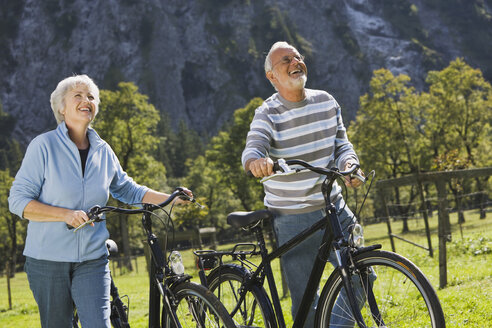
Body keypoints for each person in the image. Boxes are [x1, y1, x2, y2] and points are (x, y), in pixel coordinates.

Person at [8, 74, 191, 328]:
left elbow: (128, 190)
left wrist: (171, 199)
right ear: (61, 108)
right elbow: (18, 201)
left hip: (92, 259)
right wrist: (64, 214)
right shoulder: (43, 147)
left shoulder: (103, 150)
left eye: (91, 97)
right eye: (78, 96)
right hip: (47, 260)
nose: (87, 100)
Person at [242, 41, 365, 327]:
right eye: (285, 60)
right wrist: (256, 162)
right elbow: (253, 148)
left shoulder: (327, 101)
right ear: (272, 76)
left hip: (333, 206)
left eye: (297, 57)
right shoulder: (267, 113)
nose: (295, 62)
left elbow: (342, 146)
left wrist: (349, 165)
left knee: (360, 275)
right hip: (290, 216)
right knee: (305, 303)